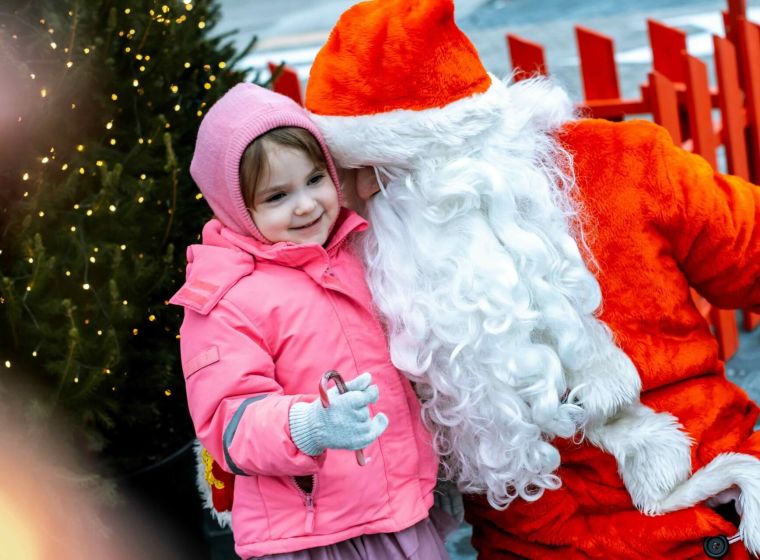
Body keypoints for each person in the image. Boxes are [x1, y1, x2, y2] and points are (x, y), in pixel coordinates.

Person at [303, 0, 760, 557]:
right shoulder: (357, 256)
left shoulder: (626, 165)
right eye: (344, 175)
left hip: (712, 517)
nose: (363, 195)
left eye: (382, 173)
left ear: (459, 152)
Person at [169, 83, 446, 559]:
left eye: (315, 180)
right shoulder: (225, 300)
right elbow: (229, 423)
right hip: (313, 534)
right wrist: (311, 425)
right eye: (277, 195)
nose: (305, 205)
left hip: (400, 512)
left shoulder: (358, 253)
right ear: (236, 206)